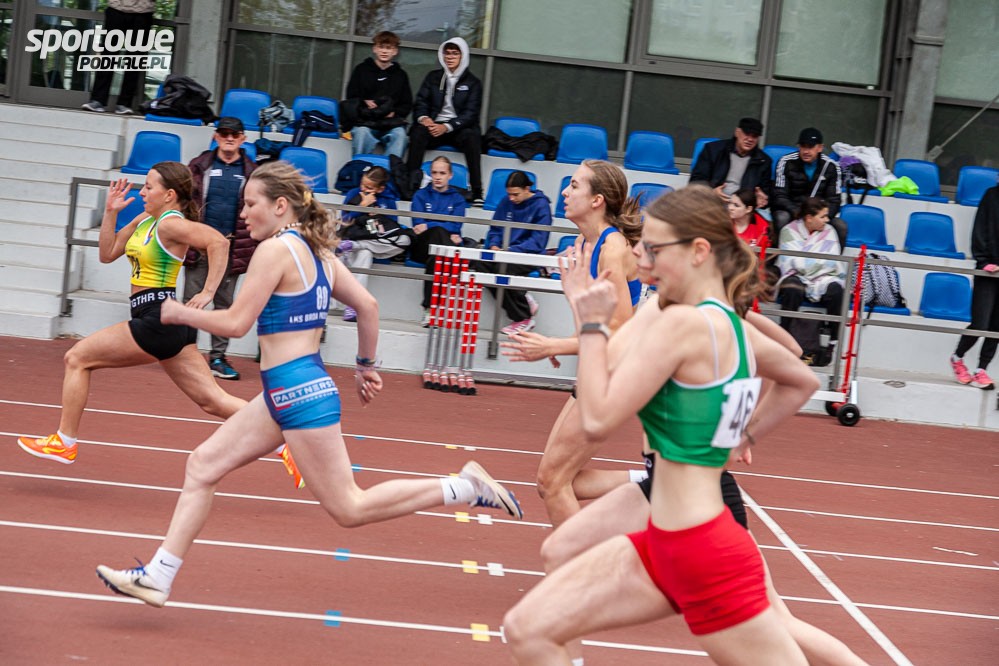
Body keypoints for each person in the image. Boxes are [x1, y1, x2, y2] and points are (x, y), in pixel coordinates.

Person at [94, 161, 523, 608]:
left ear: (280, 205)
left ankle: (465, 487)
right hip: (286, 391)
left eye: (251, 204)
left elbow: (237, 323)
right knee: (202, 466)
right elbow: (369, 306)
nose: (244, 214)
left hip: (298, 394)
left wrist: (181, 312)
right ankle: (158, 576)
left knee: (350, 508)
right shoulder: (319, 252)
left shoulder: (274, 251)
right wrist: (365, 365)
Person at [503, 185, 820, 665]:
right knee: (530, 622)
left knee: (784, 636)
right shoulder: (712, 319)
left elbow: (597, 418)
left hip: (700, 548)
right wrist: (739, 434)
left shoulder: (686, 324)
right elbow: (800, 380)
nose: (641, 256)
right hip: (668, 537)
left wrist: (590, 324)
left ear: (698, 251)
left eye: (653, 248)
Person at [16, 163, 244, 464]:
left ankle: (64, 441)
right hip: (166, 320)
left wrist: (207, 292)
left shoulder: (170, 224)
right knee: (213, 401)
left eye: (149, 187)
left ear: (169, 195)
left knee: (77, 358)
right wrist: (111, 212)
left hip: (158, 316)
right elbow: (107, 253)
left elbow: (218, 242)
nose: (143, 192)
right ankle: (283, 435)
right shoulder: (146, 220)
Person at [501, 160, 642, 530]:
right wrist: (569, 342)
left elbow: (620, 330)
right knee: (553, 480)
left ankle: (581, 564)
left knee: (553, 481)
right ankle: (651, 483)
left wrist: (555, 345)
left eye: (575, 185)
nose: (564, 191)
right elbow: (596, 320)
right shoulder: (586, 244)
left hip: (614, 377)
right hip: (598, 371)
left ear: (597, 200)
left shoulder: (612, 247)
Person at [183, 116, 258, 380]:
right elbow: (183, 202)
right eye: (224, 133)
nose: (229, 138)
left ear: (243, 139)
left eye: (234, 134)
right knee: (191, 302)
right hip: (200, 245)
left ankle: (217, 358)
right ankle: (185, 356)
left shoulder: (252, 172)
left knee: (224, 305)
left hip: (231, 247)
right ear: (215, 136)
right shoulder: (199, 166)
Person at [471, 170, 553, 335]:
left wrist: (511, 250)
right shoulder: (505, 202)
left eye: (516, 194)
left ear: (527, 189)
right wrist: (494, 245)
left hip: (529, 255)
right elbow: (495, 229)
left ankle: (522, 317)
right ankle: (523, 298)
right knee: (480, 265)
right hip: (504, 253)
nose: (511, 198)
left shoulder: (541, 206)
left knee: (503, 268)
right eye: (509, 194)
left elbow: (538, 240)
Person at [407, 38, 484, 204]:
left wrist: (447, 126)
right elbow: (420, 102)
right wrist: (424, 118)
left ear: (463, 56)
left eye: (455, 53)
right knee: (417, 133)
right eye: (447, 53)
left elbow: (471, 114)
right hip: (434, 125)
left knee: (472, 137)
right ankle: (410, 186)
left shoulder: (473, 83)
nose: (450, 57)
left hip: (458, 128)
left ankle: (477, 191)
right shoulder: (433, 77)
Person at [776, 197, 845, 367]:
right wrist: (814, 264)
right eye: (822, 216)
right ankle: (785, 340)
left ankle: (832, 342)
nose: (827, 220)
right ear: (809, 218)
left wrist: (807, 265)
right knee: (792, 288)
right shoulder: (788, 231)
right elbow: (790, 262)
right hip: (796, 275)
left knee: (836, 291)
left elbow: (831, 262)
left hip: (824, 277)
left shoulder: (830, 231)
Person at [336, 165, 407, 322]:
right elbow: (344, 220)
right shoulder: (354, 193)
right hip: (354, 236)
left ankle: (354, 246)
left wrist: (378, 216)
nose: (364, 189)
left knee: (404, 240)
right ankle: (353, 305)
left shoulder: (389, 200)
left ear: (381, 189)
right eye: (362, 184)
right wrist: (362, 207)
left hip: (373, 240)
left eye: (369, 187)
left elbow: (392, 228)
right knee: (365, 254)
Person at [406, 156, 468, 326]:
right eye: (434, 173)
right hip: (422, 247)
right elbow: (418, 226)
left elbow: (456, 225)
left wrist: (430, 224)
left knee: (437, 257)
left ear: (450, 175)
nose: (438, 177)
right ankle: (457, 262)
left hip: (439, 252)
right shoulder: (420, 195)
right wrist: (441, 226)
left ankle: (430, 309)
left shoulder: (458, 199)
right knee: (439, 234)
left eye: (442, 173)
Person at [950, 183, 999, 390]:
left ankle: (981, 369)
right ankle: (957, 358)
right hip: (988, 270)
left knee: (997, 326)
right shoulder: (992, 195)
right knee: (980, 323)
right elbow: (980, 228)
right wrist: (983, 260)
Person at [342, 31, 413, 159]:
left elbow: (407, 103)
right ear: (374, 49)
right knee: (362, 133)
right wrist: (364, 102)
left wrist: (394, 113)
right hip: (364, 122)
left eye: (389, 48)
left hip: (390, 124)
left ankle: (389, 169)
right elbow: (351, 97)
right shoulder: (361, 70)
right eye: (381, 47)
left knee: (400, 135)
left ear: (395, 51)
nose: (384, 51)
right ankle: (360, 167)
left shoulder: (401, 75)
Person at [772, 127, 846, 248]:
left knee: (841, 226)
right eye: (803, 146)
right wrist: (797, 212)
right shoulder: (785, 162)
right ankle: (779, 258)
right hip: (794, 212)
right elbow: (779, 196)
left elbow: (834, 201)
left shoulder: (831, 166)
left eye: (810, 147)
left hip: (819, 215)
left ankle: (831, 260)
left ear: (820, 148)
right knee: (781, 217)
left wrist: (820, 218)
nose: (806, 151)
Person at [81, 0, 155, 114]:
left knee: (134, 60)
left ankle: (124, 103)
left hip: (143, 12)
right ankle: (98, 100)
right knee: (108, 56)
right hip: (116, 9)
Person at [690, 117, 773, 210]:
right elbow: (696, 181)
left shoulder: (763, 161)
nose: (750, 139)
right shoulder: (713, 150)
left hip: (743, 209)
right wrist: (711, 192)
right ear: (737, 132)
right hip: (712, 202)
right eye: (747, 134)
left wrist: (763, 199)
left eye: (754, 136)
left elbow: (765, 194)